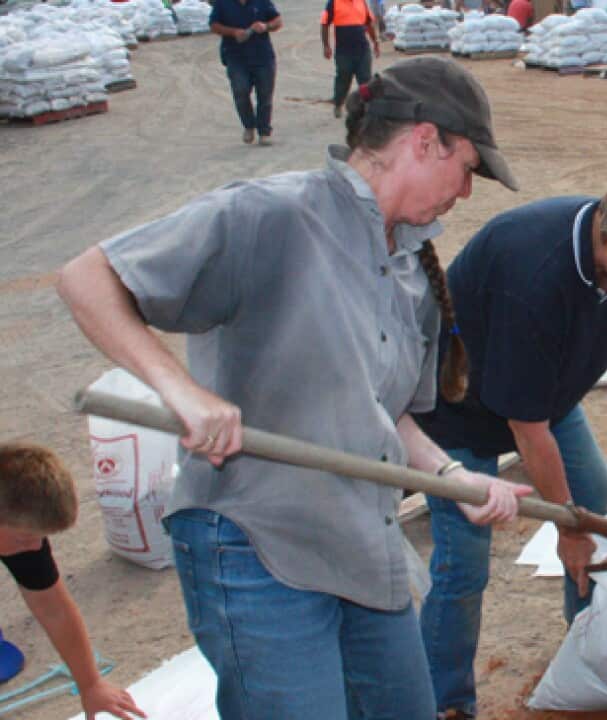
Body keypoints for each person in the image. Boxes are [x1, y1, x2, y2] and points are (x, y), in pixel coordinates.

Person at [57, 57, 530, 720]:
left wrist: (455, 475)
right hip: (258, 546)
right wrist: (181, 391)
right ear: (426, 140)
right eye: (469, 168)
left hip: (363, 541)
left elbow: (384, 415)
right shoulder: (273, 216)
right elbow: (86, 278)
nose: (467, 192)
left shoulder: (413, 270)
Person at [414, 160, 607, 719]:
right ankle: (445, 702)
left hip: (544, 397)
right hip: (455, 411)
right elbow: (526, 431)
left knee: (593, 493)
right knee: (463, 564)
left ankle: (588, 641)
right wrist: (566, 527)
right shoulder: (536, 272)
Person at [0, 443, 146, 719]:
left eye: (40, 538)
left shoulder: (22, 535)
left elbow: (53, 608)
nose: (34, 547)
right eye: (24, 538)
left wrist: (91, 684)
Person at [209, 0, 283, 146]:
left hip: (263, 56)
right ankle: (249, 125)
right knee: (240, 92)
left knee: (265, 95)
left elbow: (277, 20)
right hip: (236, 57)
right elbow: (214, 25)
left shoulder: (262, 2)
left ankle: (264, 131)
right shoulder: (222, 3)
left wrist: (266, 26)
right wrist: (233, 32)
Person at [322, 0, 380, 119]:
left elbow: (369, 23)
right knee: (343, 78)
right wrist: (326, 45)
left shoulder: (361, 2)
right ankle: (338, 103)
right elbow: (325, 23)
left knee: (365, 80)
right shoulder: (333, 3)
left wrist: (375, 41)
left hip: (362, 50)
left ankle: (367, 109)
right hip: (344, 52)